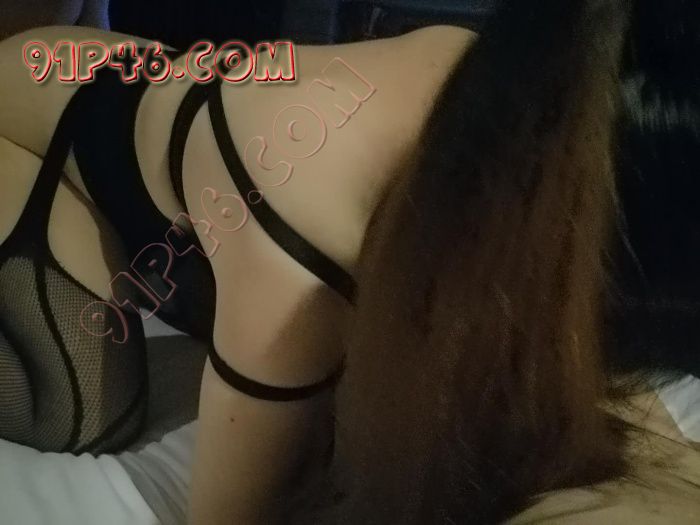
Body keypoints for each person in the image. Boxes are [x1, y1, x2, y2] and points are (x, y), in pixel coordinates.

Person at [0, 0, 698, 523]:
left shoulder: (535, 87)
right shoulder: (294, 244)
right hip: (33, 130)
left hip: (130, 84)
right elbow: (228, 516)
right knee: (80, 406)